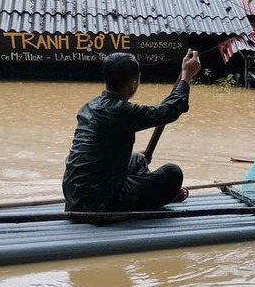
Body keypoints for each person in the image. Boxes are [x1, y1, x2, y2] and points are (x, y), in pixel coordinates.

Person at [62, 49, 201, 212]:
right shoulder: (121, 111)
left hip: (74, 192)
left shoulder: (89, 106)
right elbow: (167, 112)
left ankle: (154, 193)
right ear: (134, 83)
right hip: (100, 202)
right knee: (172, 173)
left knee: (138, 159)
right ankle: (160, 195)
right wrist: (186, 77)